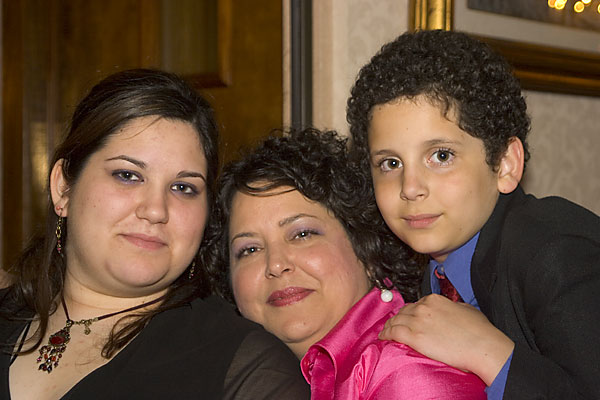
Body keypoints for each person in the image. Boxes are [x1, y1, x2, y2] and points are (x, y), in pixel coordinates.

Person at [0, 69, 309, 400]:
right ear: (63, 187)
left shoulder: (246, 368)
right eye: (128, 175)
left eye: (183, 187)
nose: (156, 210)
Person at [347, 29, 600, 399]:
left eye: (441, 156)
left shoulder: (555, 250)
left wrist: (489, 353)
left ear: (505, 164)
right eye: (390, 163)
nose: (410, 188)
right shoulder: (415, 271)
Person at [206, 128, 487, 399]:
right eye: (250, 249)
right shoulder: (264, 378)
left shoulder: (406, 373)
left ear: (366, 249)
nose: (276, 265)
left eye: (302, 234)